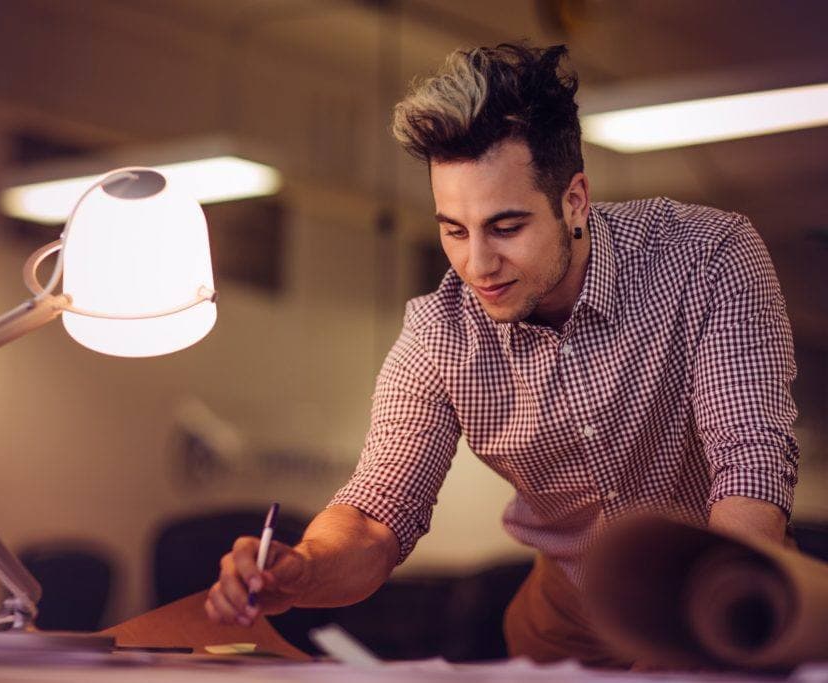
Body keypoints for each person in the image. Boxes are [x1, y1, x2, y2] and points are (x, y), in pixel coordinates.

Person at [204, 43, 799, 667]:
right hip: (567, 614)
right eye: (454, 230)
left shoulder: (708, 257)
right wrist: (302, 570)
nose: (477, 266)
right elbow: (378, 513)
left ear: (574, 201)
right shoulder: (439, 334)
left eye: (506, 227)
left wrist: (723, 624)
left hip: (725, 588)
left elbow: (749, 461)